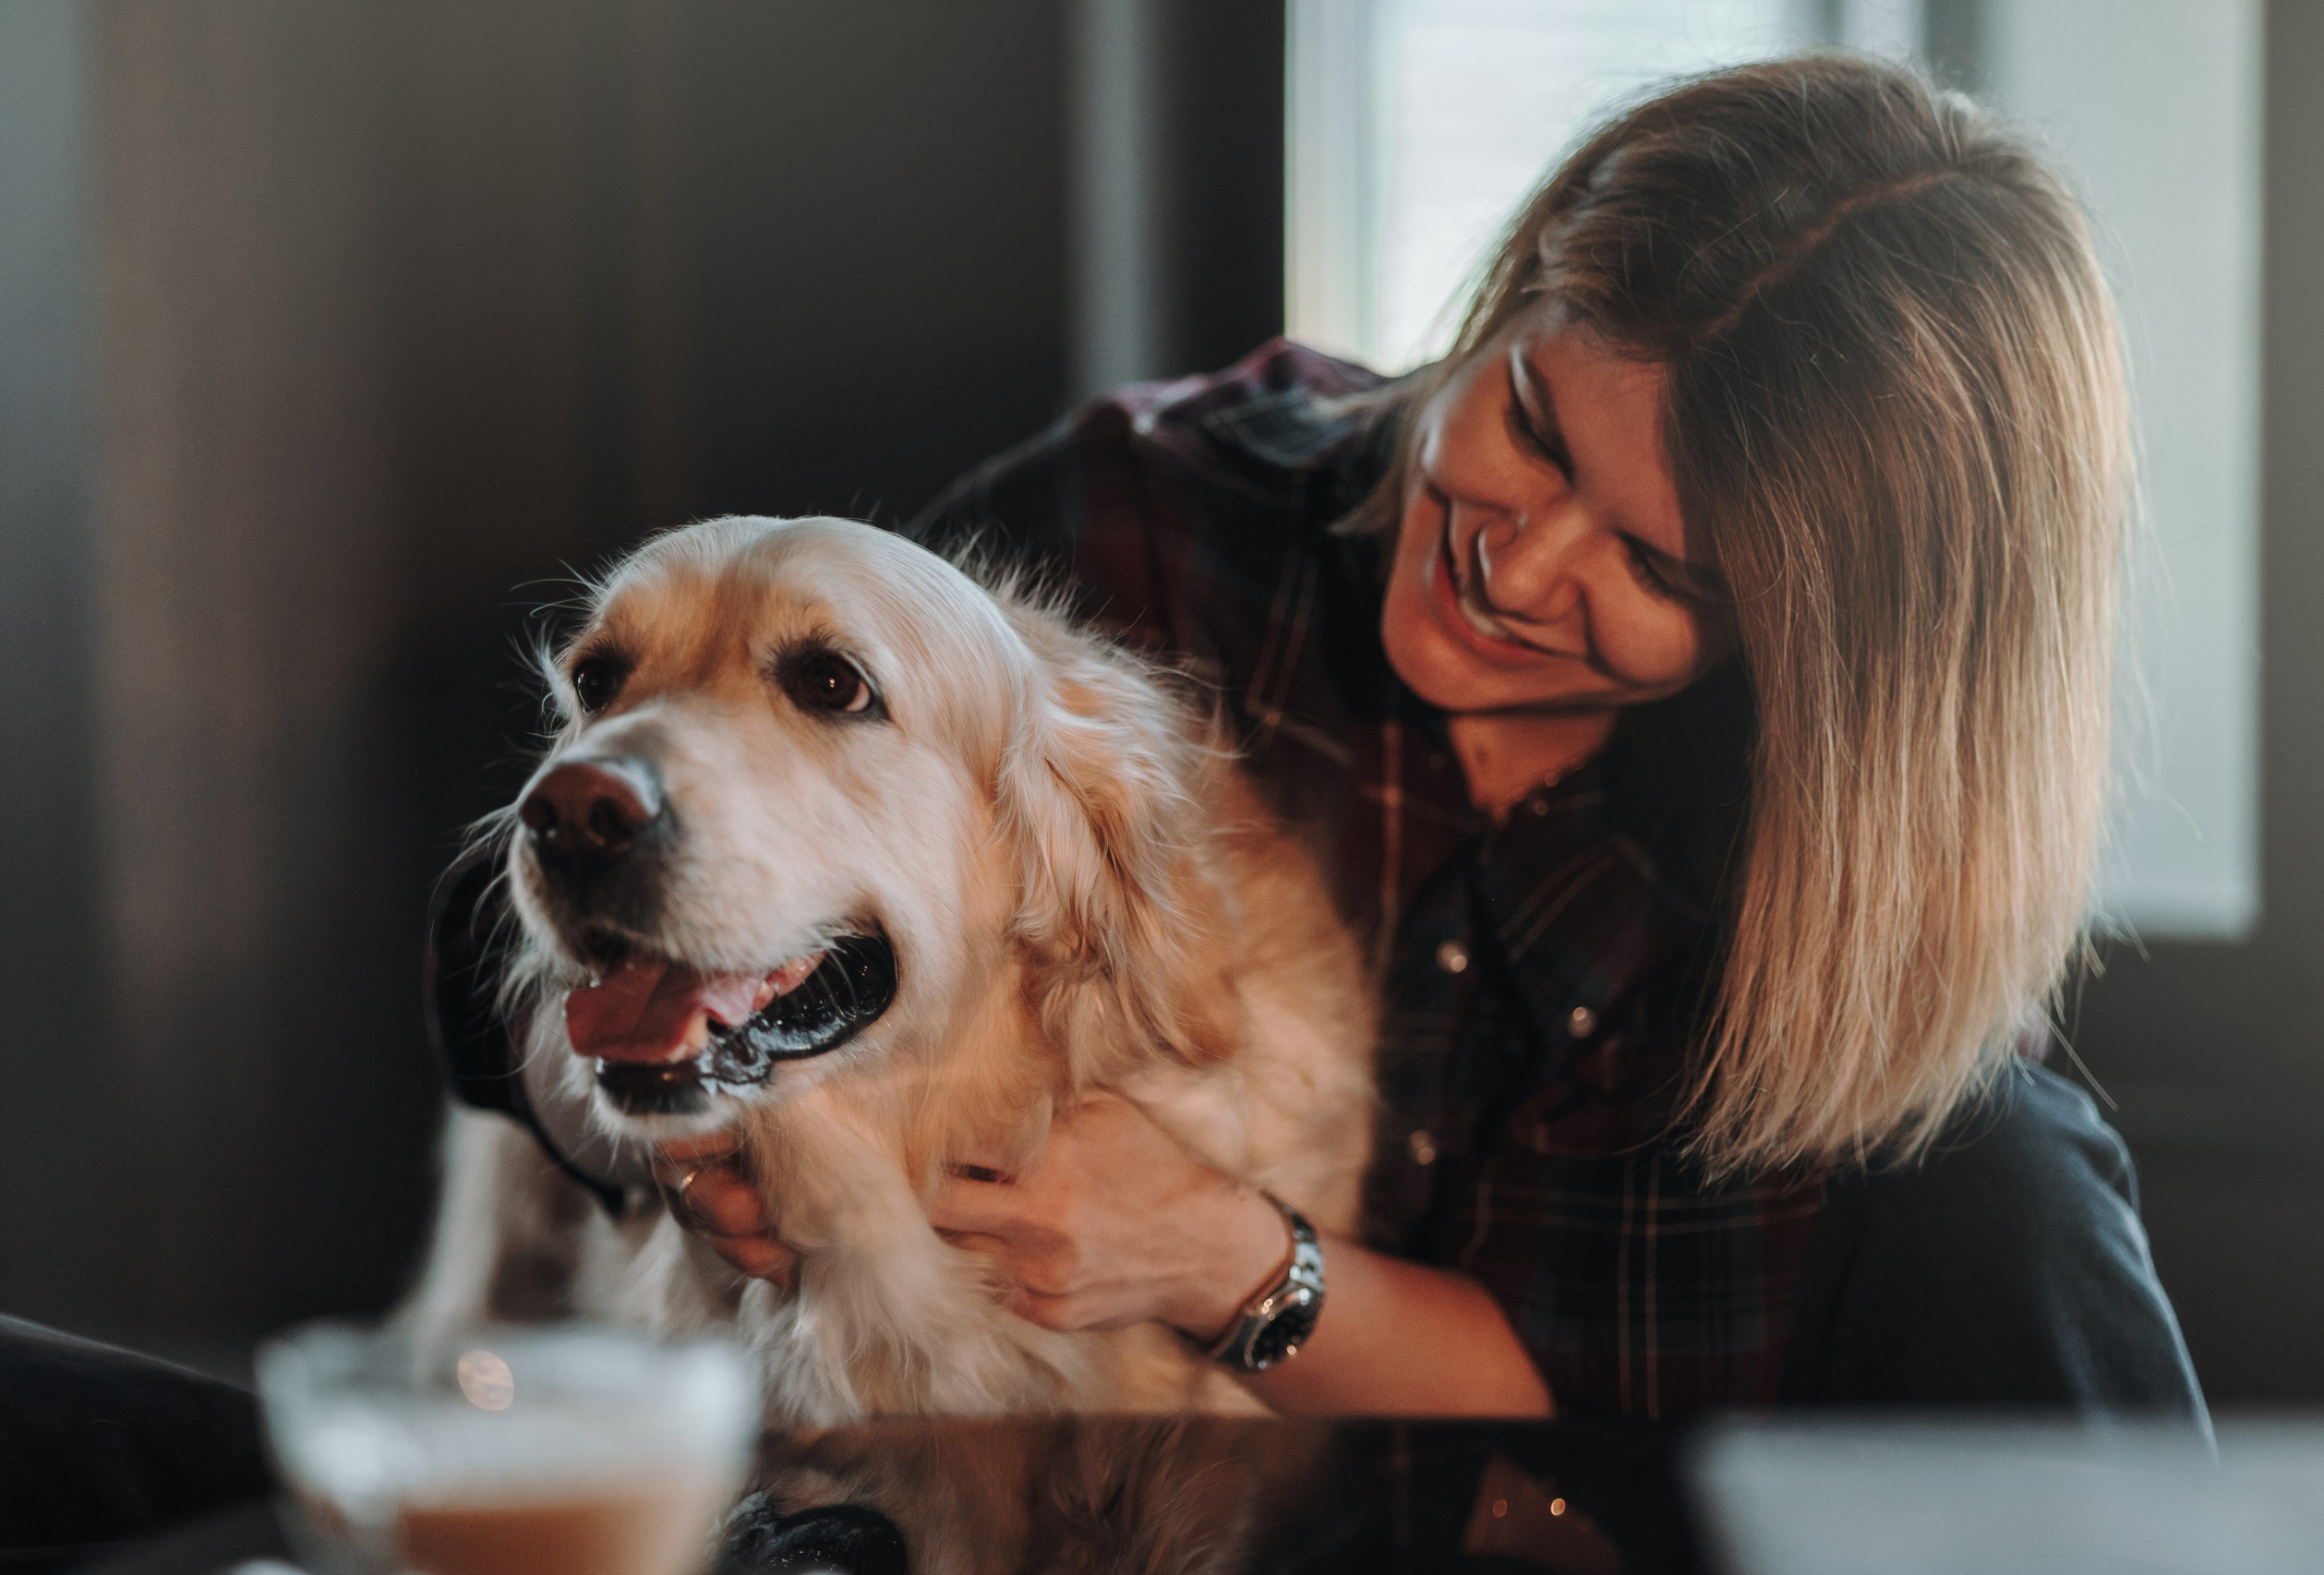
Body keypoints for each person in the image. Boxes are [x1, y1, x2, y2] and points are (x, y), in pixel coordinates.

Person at [449, 54, 2206, 1423]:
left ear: (1823, 656)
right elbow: (574, 950)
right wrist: (675, 1143)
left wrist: (1224, 1259)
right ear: (1514, 291)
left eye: (1658, 564)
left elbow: (1614, 1402)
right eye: (1528, 418)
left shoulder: (1829, 911)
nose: (1517, 559)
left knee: (2004, 1187)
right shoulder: (1132, 536)